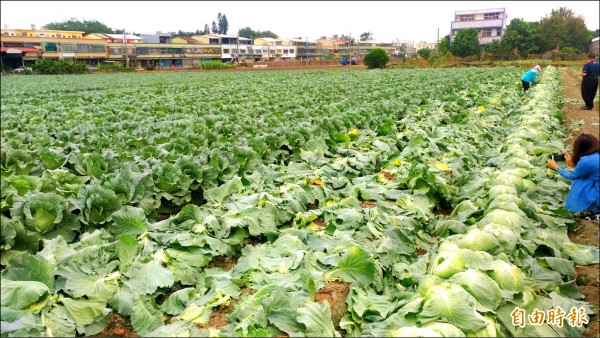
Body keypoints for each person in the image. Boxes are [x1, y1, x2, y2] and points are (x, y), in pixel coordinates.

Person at [547, 133, 600, 221]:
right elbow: (591, 170)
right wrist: (572, 164)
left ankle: (594, 210)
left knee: (579, 182)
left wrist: (556, 167)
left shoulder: (585, 161)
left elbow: (572, 176)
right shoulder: (596, 155)